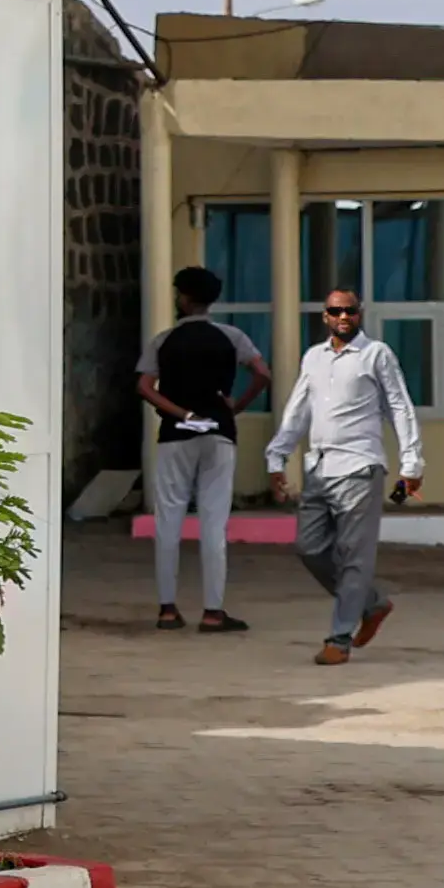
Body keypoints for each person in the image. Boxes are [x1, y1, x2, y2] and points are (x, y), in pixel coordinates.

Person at [262, 281, 428, 665]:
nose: (343, 317)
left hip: (360, 467)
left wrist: (411, 465)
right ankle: (370, 604)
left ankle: (339, 638)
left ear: (359, 314)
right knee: (309, 547)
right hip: (319, 468)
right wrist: (277, 456)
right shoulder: (314, 358)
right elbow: (298, 409)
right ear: (325, 316)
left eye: (349, 311)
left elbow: (399, 407)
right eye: (335, 311)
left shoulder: (376, 355)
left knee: (354, 555)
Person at [137, 267, 262, 635]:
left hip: (176, 434)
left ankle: (167, 609)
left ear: (185, 297)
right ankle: (213, 611)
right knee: (213, 523)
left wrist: (181, 412)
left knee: (168, 521)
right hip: (220, 433)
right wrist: (234, 407)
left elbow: (145, 386)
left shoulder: (164, 340)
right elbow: (263, 374)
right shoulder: (232, 336)